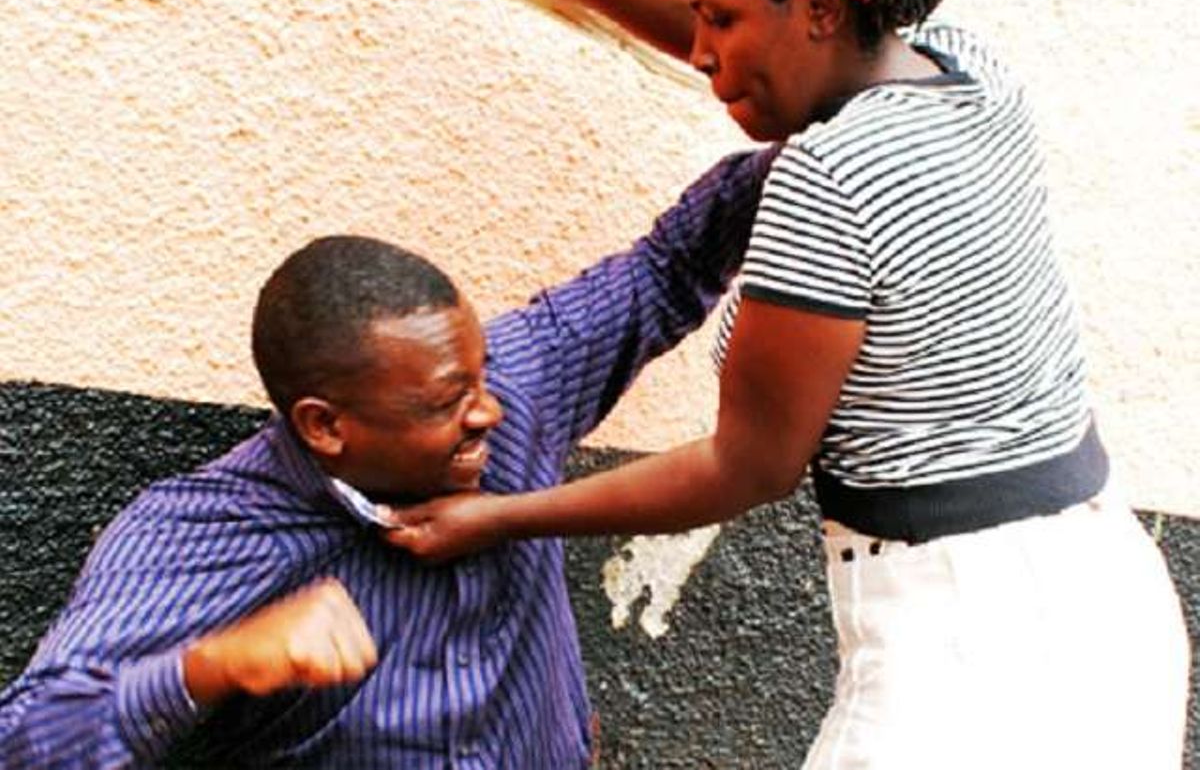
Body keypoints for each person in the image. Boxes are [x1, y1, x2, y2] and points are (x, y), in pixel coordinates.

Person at [374, 0, 1191, 767]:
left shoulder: (829, 178)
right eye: (699, 16)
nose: (700, 51)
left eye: (720, 21)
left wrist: (495, 516)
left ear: (821, 9)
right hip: (1107, 604)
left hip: (965, 649)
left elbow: (747, 465)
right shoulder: (969, 70)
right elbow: (727, 18)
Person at [0, 148, 771, 768]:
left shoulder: (514, 386)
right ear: (325, 426)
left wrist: (824, 128)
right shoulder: (205, 530)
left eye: (481, 374)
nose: (488, 410)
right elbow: (25, 741)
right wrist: (213, 664)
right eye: (447, 400)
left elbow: (668, 265)